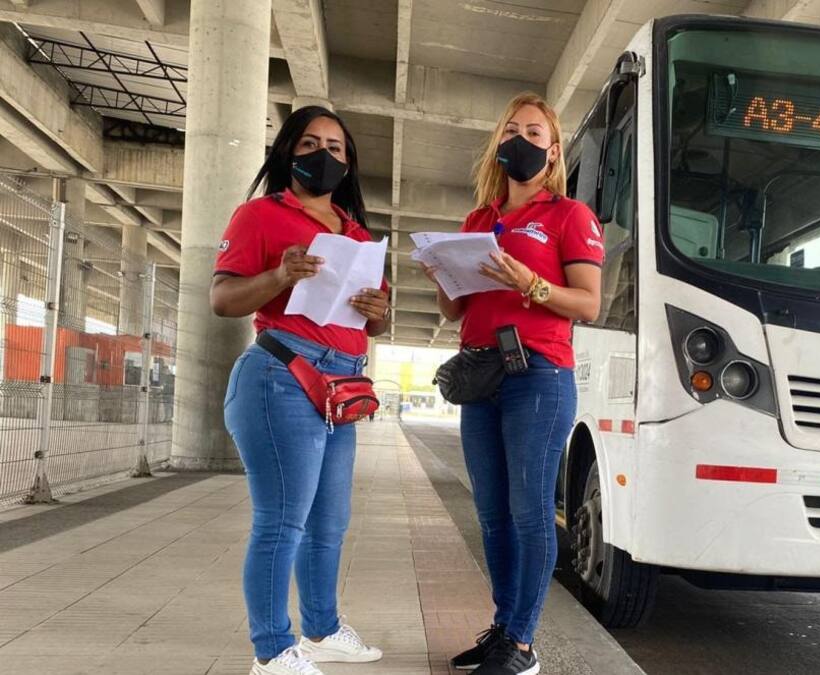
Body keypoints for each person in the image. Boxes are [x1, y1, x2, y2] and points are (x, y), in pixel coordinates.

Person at [426, 92, 603, 675]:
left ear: (552, 152)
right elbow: (455, 311)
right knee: (492, 514)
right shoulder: (478, 221)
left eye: (533, 133)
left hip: (539, 377)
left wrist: (532, 283)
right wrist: (441, 274)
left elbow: (589, 304)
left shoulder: (569, 216)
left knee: (529, 512)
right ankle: (503, 628)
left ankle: (522, 644)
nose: (519, 141)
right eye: (511, 131)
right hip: (481, 375)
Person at [212, 106, 390, 675]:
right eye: (311, 143)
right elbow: (223, 300)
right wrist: (279, 276)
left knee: (329, 524)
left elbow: (373, 324)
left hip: (341, 386)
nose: (323, 155)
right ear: (288, 151)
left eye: (336, 148)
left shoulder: (357, 234)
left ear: (349, 163)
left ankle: (322, 630)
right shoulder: (260, 215)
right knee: (282, 521)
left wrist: (379, 310)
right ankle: (271, 650)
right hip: (281, 376)